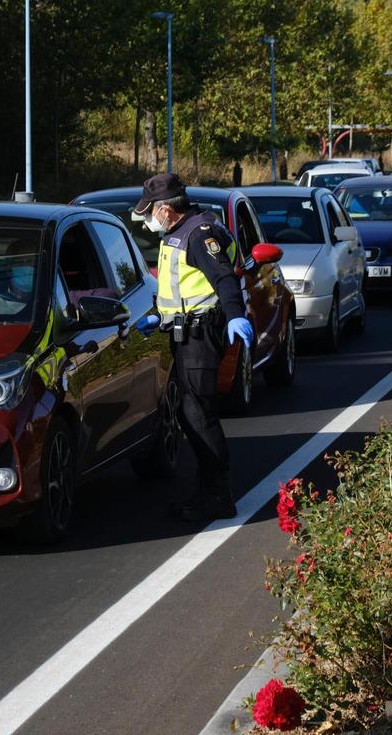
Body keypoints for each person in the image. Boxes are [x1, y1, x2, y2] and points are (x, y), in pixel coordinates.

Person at [133, 173, 253, 522]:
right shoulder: (180, 233)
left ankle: (218, 496)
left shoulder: (200, 235)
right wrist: (161, 315)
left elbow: (223, 277)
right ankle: (208, 490)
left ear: (167, 210)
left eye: (150, 211)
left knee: (198, 414)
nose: (147, 219)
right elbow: (182, 288)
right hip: (185, 331)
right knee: (191, 413)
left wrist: (235, 314)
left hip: (201, 335)